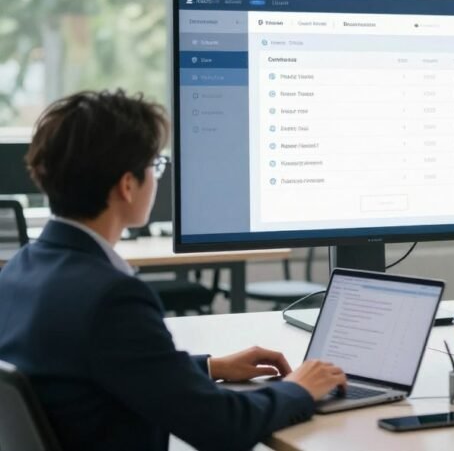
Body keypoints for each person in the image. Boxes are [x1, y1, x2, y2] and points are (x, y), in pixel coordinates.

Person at [0, 90, 348, 451]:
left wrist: (211, 368)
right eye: (155, 165)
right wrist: (299, 389)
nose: (157, 176)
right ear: (128, 185)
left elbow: (100, 371)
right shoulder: (111, 298)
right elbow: (224, 426)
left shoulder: (19, 270)